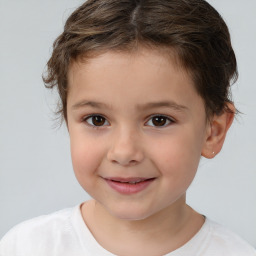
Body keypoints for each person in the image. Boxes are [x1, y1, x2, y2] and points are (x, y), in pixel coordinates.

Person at [1, 0, 255, 255]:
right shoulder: (26, 247)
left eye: (159, 120)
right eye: (97, 119)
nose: (124, 152)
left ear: (213, 131)